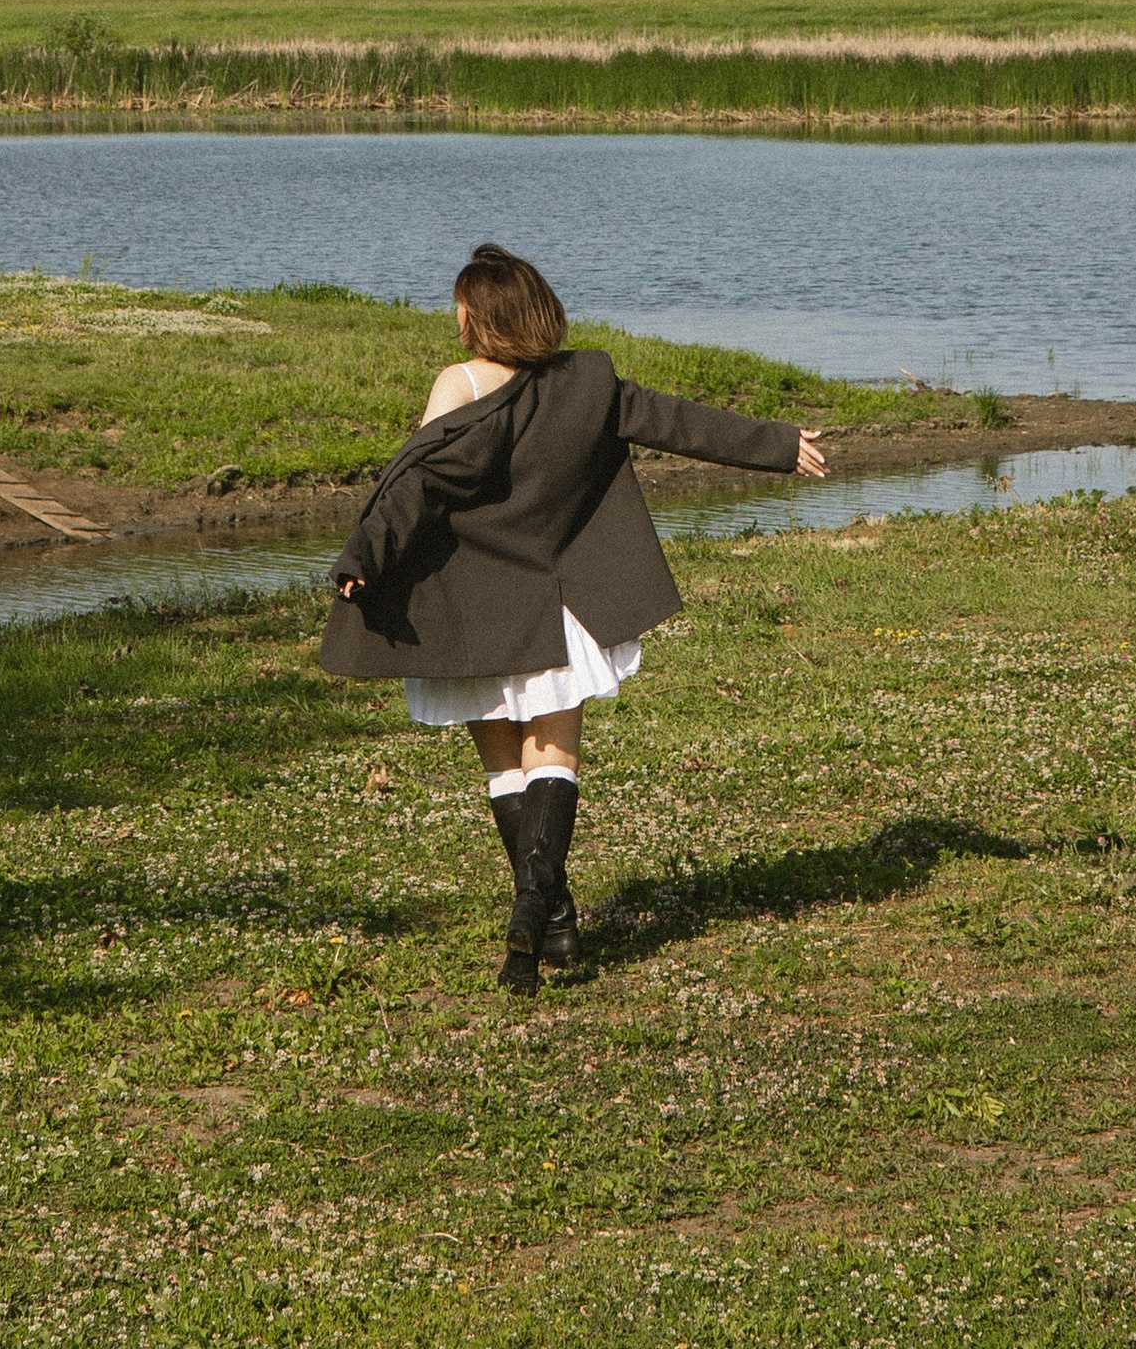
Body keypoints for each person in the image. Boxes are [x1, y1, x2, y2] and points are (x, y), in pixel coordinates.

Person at [322, 241, 828, 992]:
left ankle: (543, 917)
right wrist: (780, 444)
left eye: (460, 305)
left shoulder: (456, 387)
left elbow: (412, 485)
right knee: (552, 755)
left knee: (504, 767)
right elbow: (674, 421)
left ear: (476, 318)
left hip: (475, 612)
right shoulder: (587, 382)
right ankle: (543, 915)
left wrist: (363, 557)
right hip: (560, 607)